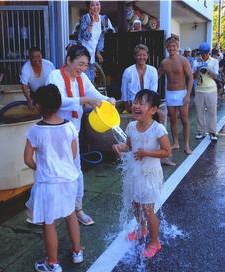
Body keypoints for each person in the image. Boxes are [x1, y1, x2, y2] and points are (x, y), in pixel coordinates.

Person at [47, 44, 116, 226]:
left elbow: (93, 93)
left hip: (72, 134)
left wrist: (107, 100)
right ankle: (47, 210)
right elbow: (58, 101)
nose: (83, 68)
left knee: (76, 172)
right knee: (52, 174)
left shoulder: (82, 78)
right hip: (54, 134)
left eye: (85, 64)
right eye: (80, 64)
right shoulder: (55, 76)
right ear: (68, 60)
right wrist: (84, 100)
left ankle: (78, 209)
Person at [25, 85, 83, 272]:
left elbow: (27, 159)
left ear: (39, 105)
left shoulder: (35, 130)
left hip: (48, 183)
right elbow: (73, 155)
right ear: (59, 104)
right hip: (69, 180)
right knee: (70, 214)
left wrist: (41, 168)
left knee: (48, 222)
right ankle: (77, 252)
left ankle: (52, 263)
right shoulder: (69, 126)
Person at [112, 90, 171, 258]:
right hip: (135, 173)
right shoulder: (131, 126)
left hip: (150, 175)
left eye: (141, 103)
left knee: (148, 209)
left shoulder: (158, 129)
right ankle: (142, 228)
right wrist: (118, 147)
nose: (135, 106)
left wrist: (147, 153)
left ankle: (155, 241)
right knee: (136, 204)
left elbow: (166, 151)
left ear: (153, 110)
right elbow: (129, 146)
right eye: (135, 102)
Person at [158, 37, 193, 154]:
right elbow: (156, 76)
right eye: (169, 46)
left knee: (184, 119)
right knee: (172, 119)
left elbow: (190, 78)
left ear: (177, 47)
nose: (171, 48)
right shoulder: (164, 62)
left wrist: (188, 95)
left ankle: (187, 145)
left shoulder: (183, 60)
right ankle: (176, 143)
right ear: (166, 48)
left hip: (181, 93)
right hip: (170, 94)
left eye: (174, 46)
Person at [78, 0, 114, 82]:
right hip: (82, 53)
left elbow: (101, 37)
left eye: (97, 4)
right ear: (88, 7)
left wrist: (98, 52)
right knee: (83, 80)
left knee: (91, 81)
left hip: (92, 55)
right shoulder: (85, 18)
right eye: (92, 5)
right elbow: (86, 37)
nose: (95, 7)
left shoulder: (103, 19)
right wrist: (92, 22)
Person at [194, 42, 219, 141]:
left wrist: (208, 70)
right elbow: (194, 76)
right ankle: (200, 131)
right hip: (199, 89)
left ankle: (213, 132)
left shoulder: (214, 61)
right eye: (202, 53)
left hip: (211, 89)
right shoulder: (197, 61)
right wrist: (198, 69)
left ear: (209, 52)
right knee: (199, 112)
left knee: (212, 112)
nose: (204, 55)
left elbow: (216, 76)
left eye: (205, 53)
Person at [121, 44, 158, 113]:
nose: (142, 57)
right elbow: (124, 91)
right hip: (133, 104)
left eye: (144, 55)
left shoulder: (153, 70)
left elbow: (153, 91)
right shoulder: (128, 71)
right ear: (135, 56)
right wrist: (127, 106)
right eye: (139, 55)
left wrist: (149, 106)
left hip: (148, 104)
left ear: (147, 56)